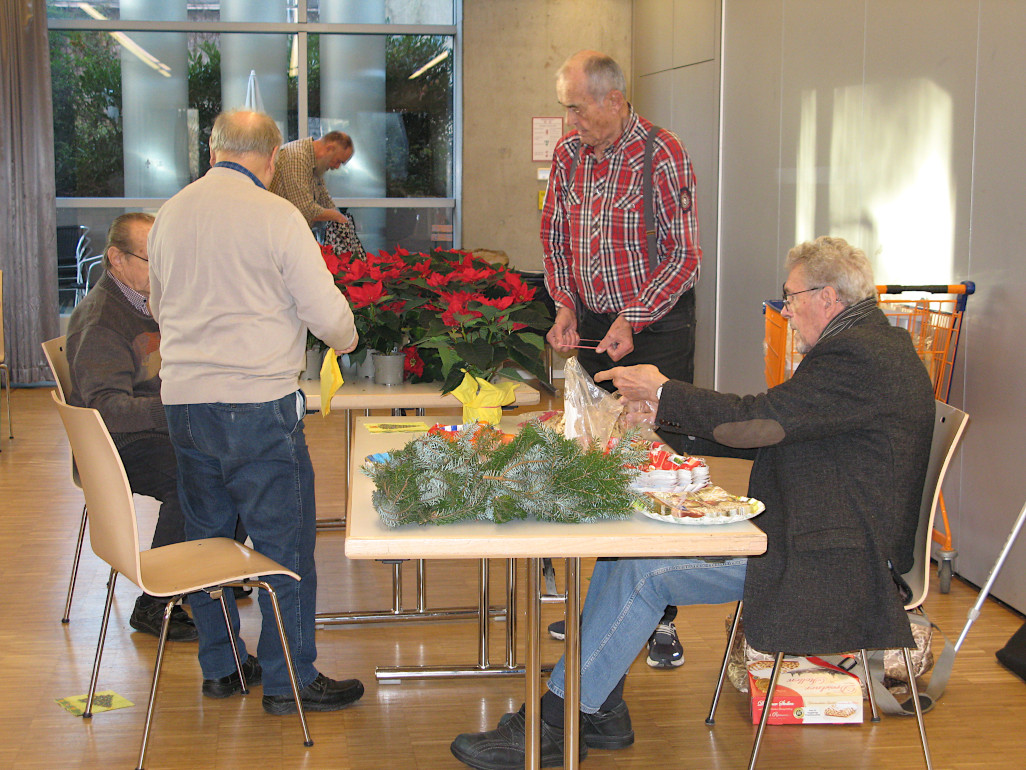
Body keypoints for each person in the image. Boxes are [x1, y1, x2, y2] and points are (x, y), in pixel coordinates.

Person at [450, 236, 936, 768]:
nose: (787, 311)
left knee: (646, 571)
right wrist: (660, 420)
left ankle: (553, 726)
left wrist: (662, 391)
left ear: (829, 296)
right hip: (817, 526)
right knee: (625, 551)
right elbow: (779, 429)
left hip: (834, 556)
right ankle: (598, 706)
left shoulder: (857, 355)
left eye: (791, 297)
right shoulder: (867, 344)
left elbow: (764, 420)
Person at [148, 109, 362, 713]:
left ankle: (220, 667)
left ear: (214, 150)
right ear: (271, 160)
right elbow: (327, 313)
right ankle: (289, 678)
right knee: (283, 549)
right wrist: (345, 340)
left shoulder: (171, 213)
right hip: (258, 407)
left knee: (207, 541)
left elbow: (160, 307)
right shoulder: (277, 216)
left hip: (185, 407)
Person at [541, 49, 703, 666]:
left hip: (654, 328)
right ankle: (607, 607)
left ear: (613, 99)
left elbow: (684, 256)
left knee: (651, 465)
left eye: (577, 108)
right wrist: (563, 305)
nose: (570, 120)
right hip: (590, 325)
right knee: (598, 463)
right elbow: (554, 240)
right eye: (567, 109)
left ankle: (660, 614)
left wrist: (632, 317)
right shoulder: (567, 156)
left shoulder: (662, 152)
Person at [66, 212, 198, 642]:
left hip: (148, 426)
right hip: (114, 443)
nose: (159, 269)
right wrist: (173, 409)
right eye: (149, 258)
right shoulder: (104, 320)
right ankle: (154, 604)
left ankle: (203, 575)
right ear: (116, 259)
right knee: (193, 475)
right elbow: (107, 409)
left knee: (228, 450)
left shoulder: (146, 302)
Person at [269, 130, 354, 228]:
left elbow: (324, 198)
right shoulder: (297, 158)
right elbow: (304, 208)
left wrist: (340, 218)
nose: (337, 167)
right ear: (329, 149)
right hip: (277, 229)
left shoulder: (316, 163)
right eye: (338, 161)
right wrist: (336, 216)